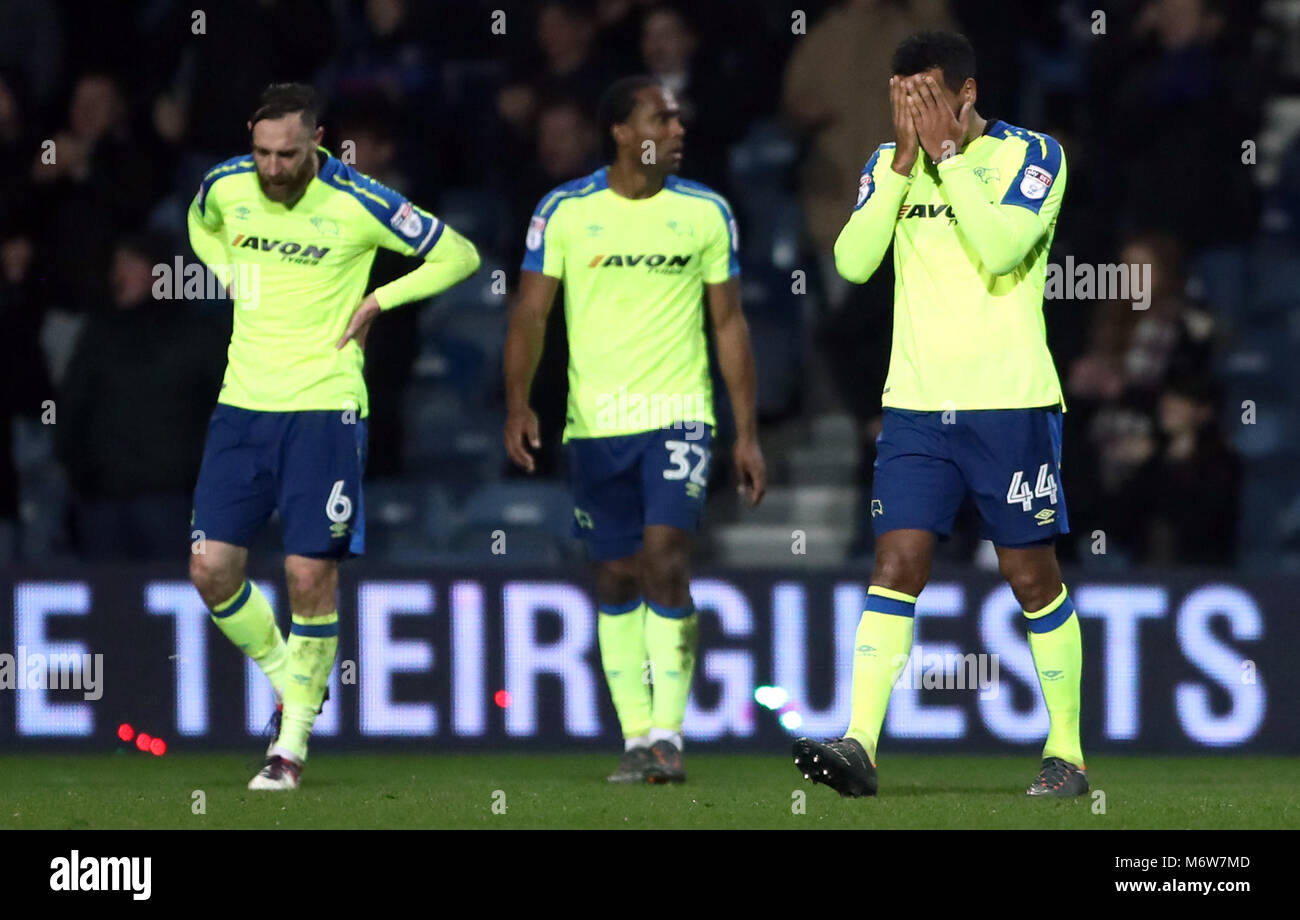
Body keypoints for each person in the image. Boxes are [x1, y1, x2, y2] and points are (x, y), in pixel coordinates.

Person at [792, 31, 1086, 797]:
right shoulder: (887, 168)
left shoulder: (1034, 156)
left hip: (1010, 401)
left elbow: (1000, 249)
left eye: (925, 98)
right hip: (917, 405)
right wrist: (899, 162)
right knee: (896, 565)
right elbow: (853, 263)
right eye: (901, 100)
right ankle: (859, 743)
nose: (912, 115)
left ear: (966, 94)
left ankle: (1068, 751)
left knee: (1030, 578)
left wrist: (949, 160)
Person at [186, 83, 480, 790]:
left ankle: (287, 748)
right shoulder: (226, 185)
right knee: (210, 569)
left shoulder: (362, 200)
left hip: (324, 406)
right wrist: (223, 267)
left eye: (288, 155)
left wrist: (381, 298)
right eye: (262, 152)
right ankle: (293, 678)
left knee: (307, 574)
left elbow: (460, 255)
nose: (273, 168)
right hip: (242, 406)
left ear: (316, 143)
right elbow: (201, 222)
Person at [503, 75, 766, 784]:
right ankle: (635, 737)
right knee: (616, 579)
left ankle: (670, 736)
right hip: (595, 426)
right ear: (622, 131)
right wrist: (519, 403)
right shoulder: (564, 210)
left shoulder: (707, 212)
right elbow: (530, 315)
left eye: (679, 118)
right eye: (662, 117)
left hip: (679, 418)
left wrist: (746, 432)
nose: (678, 129)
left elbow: (729, 323)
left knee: (666, 556)